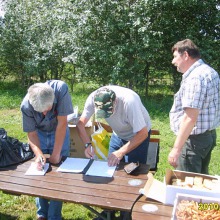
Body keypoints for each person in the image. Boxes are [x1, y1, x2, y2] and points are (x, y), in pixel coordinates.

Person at [76, 86, 151, 219]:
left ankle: (127, 213)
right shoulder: (93, 98)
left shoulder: (129, 101)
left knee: (133, 176)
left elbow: (142, 133)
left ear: (115, 102)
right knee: (109, 171)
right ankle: (107, 212)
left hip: (138, 135)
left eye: (108, 113)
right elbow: (80, 124)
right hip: (118, 134)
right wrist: (87, 145)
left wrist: (121, 152)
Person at [21, 80, 73, 220]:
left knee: (60, 171)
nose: (44, 113)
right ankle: (42, 213)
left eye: (47, 109)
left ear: (53, 99)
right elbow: (31, 134)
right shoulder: (26, 105)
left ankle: (54, 216)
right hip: (40, 134)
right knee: (40, 170)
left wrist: (57, 153)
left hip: (59, 130)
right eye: (40, 111)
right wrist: (38, 154)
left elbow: (62, 123)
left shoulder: (61, 89)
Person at [168, 39, 220, 174]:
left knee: (188, 185)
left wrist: (176, 149)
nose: (173, 62)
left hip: (193, 141)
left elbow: (190, 117)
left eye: (175, 57)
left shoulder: (195, 78)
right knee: (200, 180)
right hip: (206, 137)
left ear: (185, 55)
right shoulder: (210, 72)